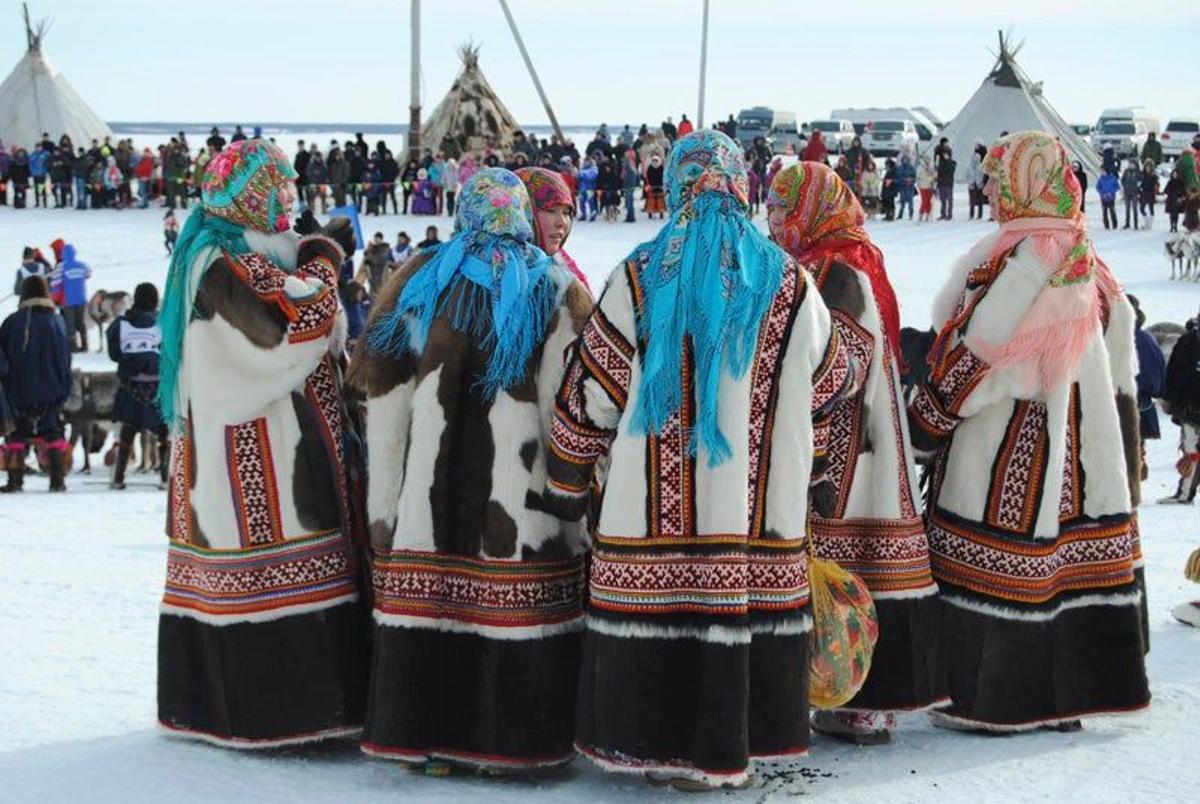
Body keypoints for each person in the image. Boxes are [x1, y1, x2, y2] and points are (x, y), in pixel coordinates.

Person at [544, 131, 849, 790]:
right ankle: (725, 756)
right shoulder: (793, 286)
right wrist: (816, 468)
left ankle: (661, 750)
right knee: (734, 632)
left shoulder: (637, 276)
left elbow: (591, 391)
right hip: (756, 523)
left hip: (650, 521)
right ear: (740, 185)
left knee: (665, 632)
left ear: (678, 186)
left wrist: (569, 474)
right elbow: (831, 386)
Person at [348, 168, 593, 772]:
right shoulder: (553, 286)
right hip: (515, 504)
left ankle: (423, 738)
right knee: (508, 615)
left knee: (433, 608)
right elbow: (574, 403)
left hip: (425, 505)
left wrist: (383, 507)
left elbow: (381, 401)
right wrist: (576, 500)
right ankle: (504, 747)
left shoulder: (417, 283)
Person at [908, 131, 1149, 732]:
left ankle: (999, 703)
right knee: (1064, 570)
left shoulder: (1030, 259)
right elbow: (1123, 368)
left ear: (1024, 183)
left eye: (997, 179)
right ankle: (1063, 700)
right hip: (1082, 462)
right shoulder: (1087, 257)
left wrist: (927, 420)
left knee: (1009, 563)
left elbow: (982, 358)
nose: (988, 191)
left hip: (1010, 451)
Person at [155, 139, 365, 747]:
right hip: (257, 452)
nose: (290, 200)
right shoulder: (223, 264)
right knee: (273, 564)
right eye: (279, 187)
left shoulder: (235, 253)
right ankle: (283, 714)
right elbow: (295, 323)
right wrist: (324, 258)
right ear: (251, 191)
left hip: (261, 442)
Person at [766, 161, 944, 744]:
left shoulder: (842, 270)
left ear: (812, 211)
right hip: (848, 437)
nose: (771, 220)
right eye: (768, 208)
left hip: (848, 443)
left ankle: (866, 700)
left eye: (782, 208)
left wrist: (784, 392)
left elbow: (847, 360)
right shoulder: (821, 265)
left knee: (855, 561)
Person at [0, 276, 72, 493]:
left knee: (17, 433)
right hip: (53, 392)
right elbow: (66, 359)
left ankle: (15, 479)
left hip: (19, 392)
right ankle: (57, 480)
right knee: (52, 431)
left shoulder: (13, 322)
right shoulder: (58, 321)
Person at [105, 282, 168, 489]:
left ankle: (119, 477)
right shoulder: (164, 322)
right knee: (164, 433)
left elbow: (114, 354)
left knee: (127, 432)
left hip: (130, 388)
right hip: (158, 389)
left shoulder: (120, 324)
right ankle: (166, 478)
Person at [517, 166, 592, 291]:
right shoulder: (495, 278)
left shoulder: (565, 268)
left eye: (567, 212)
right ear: (522, 213)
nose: (561, 222)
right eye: (550, 210)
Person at [1161, 309, 1200, 504]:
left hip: (1190, 406)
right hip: (1190, 405)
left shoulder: (1188, 341)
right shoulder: (1187, 342)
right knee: (1193, 451)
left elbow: (1175, 373)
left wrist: (1171, 400)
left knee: (1192, 451)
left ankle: (1185, 493)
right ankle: (1185, 492)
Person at [1126, 295, 1165, 482]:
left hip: (1122, 403)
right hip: (1142, 403)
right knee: (1135, 447)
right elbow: (1157, 376)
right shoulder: (1147, 339)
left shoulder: (1111, 338)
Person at [57, 244, 92, 352]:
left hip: (68, 301)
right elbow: (88, 274)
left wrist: (56, 298)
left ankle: (73, 347)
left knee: (70, 324)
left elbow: (55, 283)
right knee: (82, 323)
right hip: (81, 299)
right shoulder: (83, 265)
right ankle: (85, 345)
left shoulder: (61, 267)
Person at [360, 231, 392, 298]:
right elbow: (367, 257)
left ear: (381, 239)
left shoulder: (385, 248)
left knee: (382, 291)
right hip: (372, 274)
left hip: (381, 273)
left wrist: (370, 258)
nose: (376, 240)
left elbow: (381, 259)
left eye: (377, 238)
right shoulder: (372, 248)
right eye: (375, 238)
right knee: (372, 290)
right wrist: (367, 252)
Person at [967, 143, 986, 220]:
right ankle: (971, 214)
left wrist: (980, 182)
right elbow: (967, 175)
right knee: (972, 200)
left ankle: (980, 214)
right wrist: (970, 182)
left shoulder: (980, 166)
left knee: (980, 200)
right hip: (972, 185)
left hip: (978, 184)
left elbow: (982, 175)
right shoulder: (969, 167)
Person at [1121, 158, 1142, 229]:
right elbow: (1123, 179)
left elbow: (1140, 181)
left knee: (1134, 208)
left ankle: (1136, 224)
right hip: (1127, 191)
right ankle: (1127, 223)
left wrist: (1137, 187)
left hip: (1134, 192)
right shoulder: (1126, 171)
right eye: (1130, 164)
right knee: (1127, 208)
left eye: (1132, 164)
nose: (1130, 165)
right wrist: (1124, 186)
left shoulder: (1138, 172)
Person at [935, 148, 956, 219]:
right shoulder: (941, 163)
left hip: (948, 183)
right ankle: (943, 214)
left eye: (946, 154)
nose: (945, 156)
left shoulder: (952, 163)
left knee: (949, 200)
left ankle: (950, 214)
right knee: (943, 200)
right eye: (944, 154)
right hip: (941, 183)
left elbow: (950, 172)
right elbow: (939, 174)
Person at [1139, 159, 1159, 229]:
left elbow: (1156, 185)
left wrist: (1156, 192)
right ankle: (1146, 221)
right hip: (1143, 192)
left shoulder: (1154, 176)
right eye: (1146, 166)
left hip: (1151, 193)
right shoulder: (1142, 174)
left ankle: (1150, 224)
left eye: (1149, 167)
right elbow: (1140, 183)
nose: (1147, 168)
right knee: (1141, 208)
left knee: (1151, 208)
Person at [896, 155, 916, 220]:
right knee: (902, 202)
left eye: (906, 159)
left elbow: (914, 177)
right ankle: (900, 214)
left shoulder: (911, 168)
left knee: (910, 202)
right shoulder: (900, 168)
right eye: (904, 160)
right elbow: (897, 177)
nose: (905, 161)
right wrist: (903, 180)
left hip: (910, 187)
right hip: (902, 187)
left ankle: (911, 214)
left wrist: (911, 180)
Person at [1165, 167, 1185, 232]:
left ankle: (1175, 226)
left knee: (1176, 214)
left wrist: (1181, 197)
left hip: (1177, 200)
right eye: (1174, 174)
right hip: (1170, 200)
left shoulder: (1181, 182)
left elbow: (1183, 191)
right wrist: (1168, 193)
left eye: (1176, 174)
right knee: (1171, 214)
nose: (1175, 175)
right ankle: (1171, 226)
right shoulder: (1170, 182)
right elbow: (1166, 190)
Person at [916, 156, 936, 222]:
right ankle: (921, 214)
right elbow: (921, 177)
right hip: (923, 186)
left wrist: (934, 177)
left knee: (929, 201)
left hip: (929, 187)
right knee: (924, 201)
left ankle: (927, 215)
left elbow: (934, 175)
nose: (928, 161)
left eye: (929, 160)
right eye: (927, 160)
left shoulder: (931, 167)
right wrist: (931, 178)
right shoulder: (921, 167)